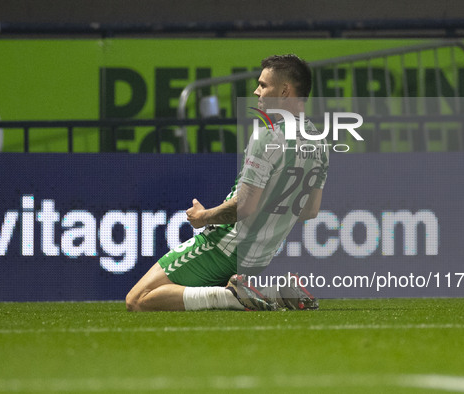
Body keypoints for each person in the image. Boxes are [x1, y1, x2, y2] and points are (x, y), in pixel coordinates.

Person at [126, 54, 328, 312]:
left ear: (285, 90)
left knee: (138, 300)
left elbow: (243, 207)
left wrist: (203, 217)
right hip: (259, 257)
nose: (257, 92)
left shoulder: (267, 137)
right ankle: (273, 293)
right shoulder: (319, 142)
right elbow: (309, 211)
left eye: (264, 85)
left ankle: (232, 296)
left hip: (223, 245)